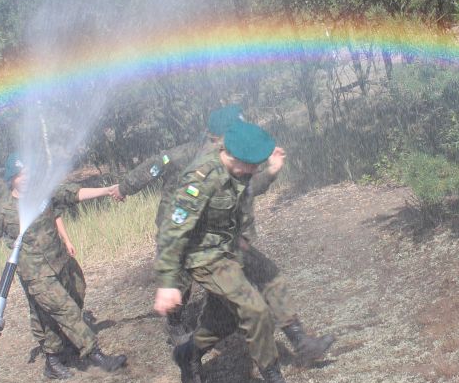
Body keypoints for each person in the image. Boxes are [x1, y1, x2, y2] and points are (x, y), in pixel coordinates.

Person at [119, 106, 333, 363]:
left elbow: (246, 189)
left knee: (264, 279)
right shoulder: (191, 160)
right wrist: (123, 188)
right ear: (217, 137)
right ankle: (179, 332)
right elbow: (154, 174)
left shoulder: (235, 158)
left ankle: (300, 340)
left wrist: (271, 172)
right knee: (183, 292)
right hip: (192, 243)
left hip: (227, 242)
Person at [154, 121, 309, 383]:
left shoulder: (238, 169)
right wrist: (168, 282)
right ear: (234, 157)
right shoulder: (199, 179)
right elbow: (172, 231)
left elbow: (246, 190)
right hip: (205, 257)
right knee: (255, 311)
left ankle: (189, 353)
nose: (254, 169)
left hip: (230, 249)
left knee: (224, 320)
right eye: (252, 165)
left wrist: (272, 171)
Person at [0, 155, 127, 380]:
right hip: (35, 273)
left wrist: (107, 190)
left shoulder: (43, 193)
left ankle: (54, 356)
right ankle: (94, 354)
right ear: (11, 179)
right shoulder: (1, 209)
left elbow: (73, 194)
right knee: (64, 309)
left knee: (74, 294)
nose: (26, 178)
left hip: (60, 260)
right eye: (20, 175)